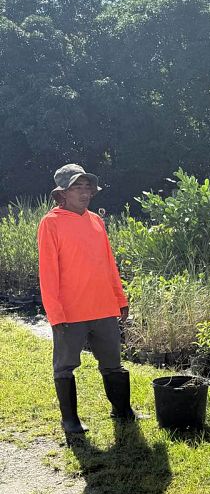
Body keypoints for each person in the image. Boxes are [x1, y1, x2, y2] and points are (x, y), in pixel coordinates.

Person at [38, 163, 140, 435]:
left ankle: (122, 409)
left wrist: (120, 297)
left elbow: (109, 263)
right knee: (65, 367)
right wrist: (55, 313)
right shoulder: (51, 223)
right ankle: (70, 420)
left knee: (113, 363)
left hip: (104, 307)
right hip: (70, 313)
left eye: (87, 187)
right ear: (62, 193)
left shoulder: (96, 220)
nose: (84, 193)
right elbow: (48, 272)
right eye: (76, 187)